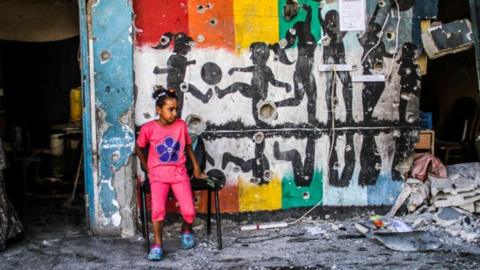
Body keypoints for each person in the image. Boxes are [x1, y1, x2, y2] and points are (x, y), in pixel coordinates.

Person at [135, 87, 207, 261]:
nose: (174, 113)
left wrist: (196, 168)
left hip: (178, 173)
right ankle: (158, 245)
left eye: (176, 109)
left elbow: (189, 147)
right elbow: (138, 148)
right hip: (158, 175)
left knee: (189, 212)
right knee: (158, 211)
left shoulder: (181, 126)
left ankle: (186, 229)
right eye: (170, 109)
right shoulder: (148, 129)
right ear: (158, 110)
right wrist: (147, 168)